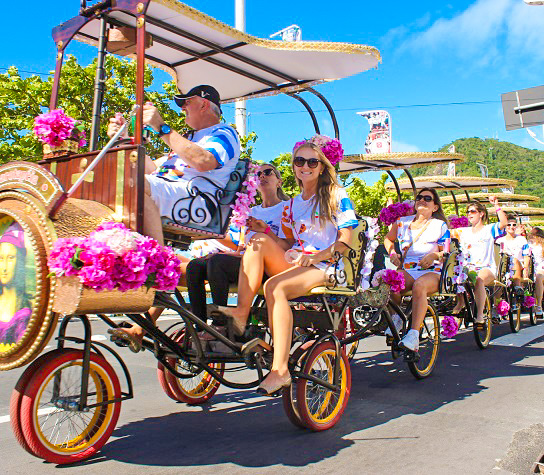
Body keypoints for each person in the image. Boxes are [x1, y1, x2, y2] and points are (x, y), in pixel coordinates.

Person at [211, 136, 357, 395]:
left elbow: (345, 242)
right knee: (256, 240)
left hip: (326, 266)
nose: (306, 166)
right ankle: (241, 316)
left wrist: (316, 256)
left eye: (313, 161)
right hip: (296, 261)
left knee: (275, 287)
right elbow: (287, 242)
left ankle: (280, 370)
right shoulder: (291, 204)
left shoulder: (336, 195)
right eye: (300, 160)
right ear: (293, 166)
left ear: (322, 166)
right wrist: (265, 231)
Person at [107, 85, 241, 352]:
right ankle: (111, 257)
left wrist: (163, 128)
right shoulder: (186, 140)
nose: (181, 109)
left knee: (134, 184)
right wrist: (123, 139)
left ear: (204, 104)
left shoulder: (224, 133)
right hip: (169, 193)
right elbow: (149, 168)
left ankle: (156, 266)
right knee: (113, 180)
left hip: (197, 201)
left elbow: (204, 161)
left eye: (185, 103)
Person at [186, 164, 289, 330]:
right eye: (258, 174)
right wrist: (230, 254)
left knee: (217, 262)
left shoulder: (287, 208)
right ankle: (199, 327)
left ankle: (221, 326)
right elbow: (243, 247)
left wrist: (267, 232)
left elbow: (288, 247)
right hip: (247, 262)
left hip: (270, 266)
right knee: (195, 266)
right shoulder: (250, 211)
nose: (262, 176)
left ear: (279, 181)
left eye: (268, 172)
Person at [383, 188, 449, 352]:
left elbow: (446, 251)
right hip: (409, 269)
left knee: (420, 286)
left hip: (432, 271)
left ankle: (413, 335)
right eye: (419, 197)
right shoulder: (402, 222)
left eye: (428, 198)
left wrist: (434, 255)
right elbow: (388, 239)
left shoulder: (439, 225)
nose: (422, 200)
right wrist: (392, 253)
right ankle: (396, 318)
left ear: (435, 207)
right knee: (391, 282)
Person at [451, 197, 508, 323]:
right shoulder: (463, 231)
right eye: (467, 212)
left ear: (481, 214)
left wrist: (496, 205)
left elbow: (504, 223)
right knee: (455, 275)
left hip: (485, 267)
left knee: (478, 279)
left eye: (472, 211)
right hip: (467, 267)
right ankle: (461, 302)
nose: (469, 214)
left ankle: (480, 315)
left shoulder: (489, 229)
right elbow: (445, 232)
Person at [0, 223, 32, 345]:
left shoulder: (23, 314)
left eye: (10, 258)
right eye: (1, 258)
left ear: (19, 261)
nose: (4, 267)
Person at [496, 215, 530, 288]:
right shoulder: (500, 241)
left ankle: (518, 287)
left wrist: (526, 269)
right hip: (504, 265)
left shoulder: (521, 239)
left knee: (514, 260)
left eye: (514, 225)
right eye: (509, 225)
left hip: (519, 264)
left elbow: (526, 255)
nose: (511, 227)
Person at [527, 227, 544, 315]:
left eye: (534, 235)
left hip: (540, 267)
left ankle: (539, 305)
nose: (532, 237)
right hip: (529, 267)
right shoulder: (527, 244)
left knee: (538, 278)